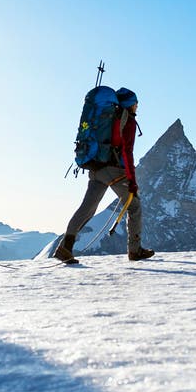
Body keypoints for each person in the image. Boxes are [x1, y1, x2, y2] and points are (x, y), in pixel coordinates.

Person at [55, 86, 154, 263]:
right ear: (131, 104)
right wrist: (132, 180)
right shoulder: (127, 120)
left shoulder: (106, 118)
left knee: (87, 208)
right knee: (134, 206)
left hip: (96, 167)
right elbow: (127, 151)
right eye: (136, 103)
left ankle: (65, 247)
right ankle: (135, 250)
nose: (137, 107)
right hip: (114, 169)